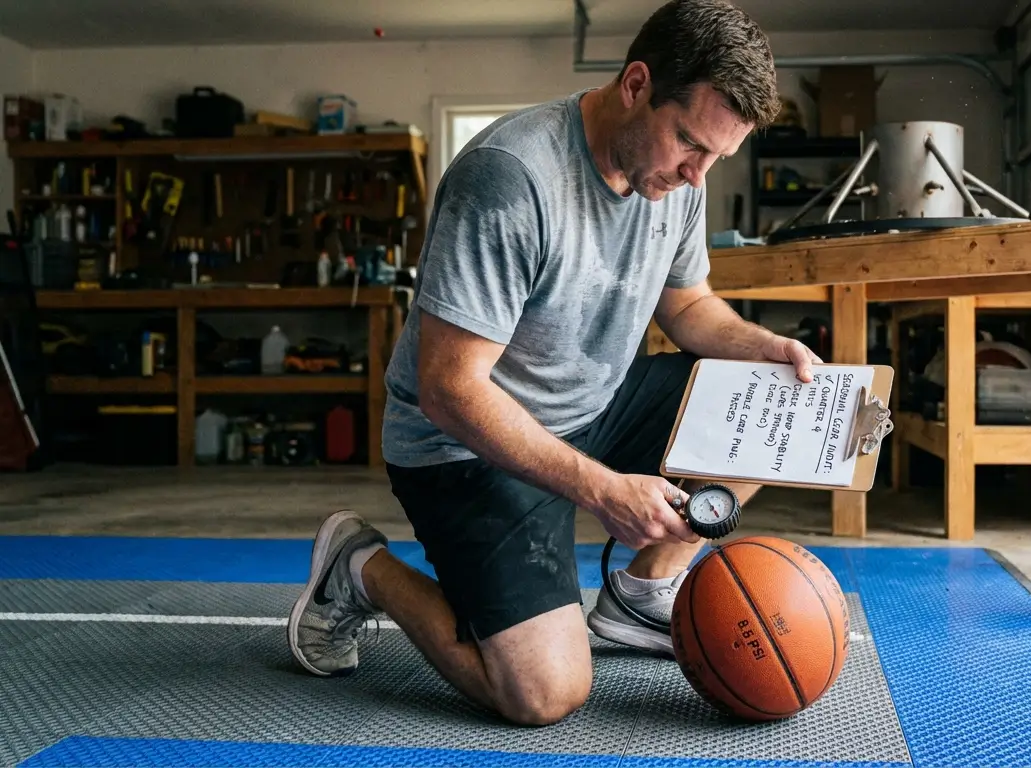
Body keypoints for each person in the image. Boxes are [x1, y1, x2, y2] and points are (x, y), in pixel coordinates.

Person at [286, 0, 820, 727]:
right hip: (464, 445)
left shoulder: (675, 180)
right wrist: (603, 491)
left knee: (782, 407)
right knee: (544, 695)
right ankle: (360, 567)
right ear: (636, 85)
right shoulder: (510, 177)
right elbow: (449, 391)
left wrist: (766, 348)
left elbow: (689, 309)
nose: (698, 177)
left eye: (715, 159)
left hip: (593, 405)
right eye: (690, 145)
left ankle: (643, 596)